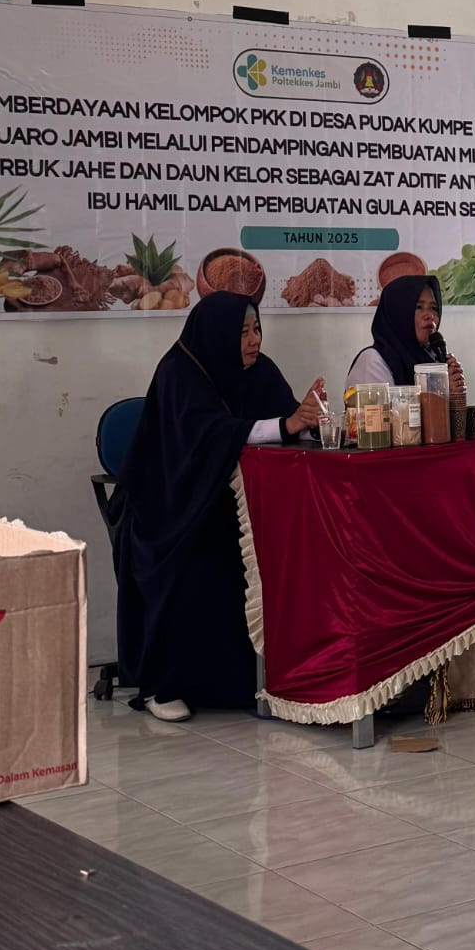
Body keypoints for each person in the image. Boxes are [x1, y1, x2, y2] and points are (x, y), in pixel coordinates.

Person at [108, 292, 324, 722]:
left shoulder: (259, 370)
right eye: (242, 332)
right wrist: (288, 424)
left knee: (286, 545)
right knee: (202, 556)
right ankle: (163, 684)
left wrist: (310, 421)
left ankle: (261, 676)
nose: (253, 340)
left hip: (228, 501)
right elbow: (207, 436)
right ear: (217, 333)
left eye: (256, 329)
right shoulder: (179, 372)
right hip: (167, 506)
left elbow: (286, 423)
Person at [345, 274, 464, 394]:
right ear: (397, 313)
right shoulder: (373, 362)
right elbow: (388, 407)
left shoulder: (432, 359)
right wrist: (442, 391)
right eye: (419, 307)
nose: (430, 315)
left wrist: (454, 393)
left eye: (433, 308)